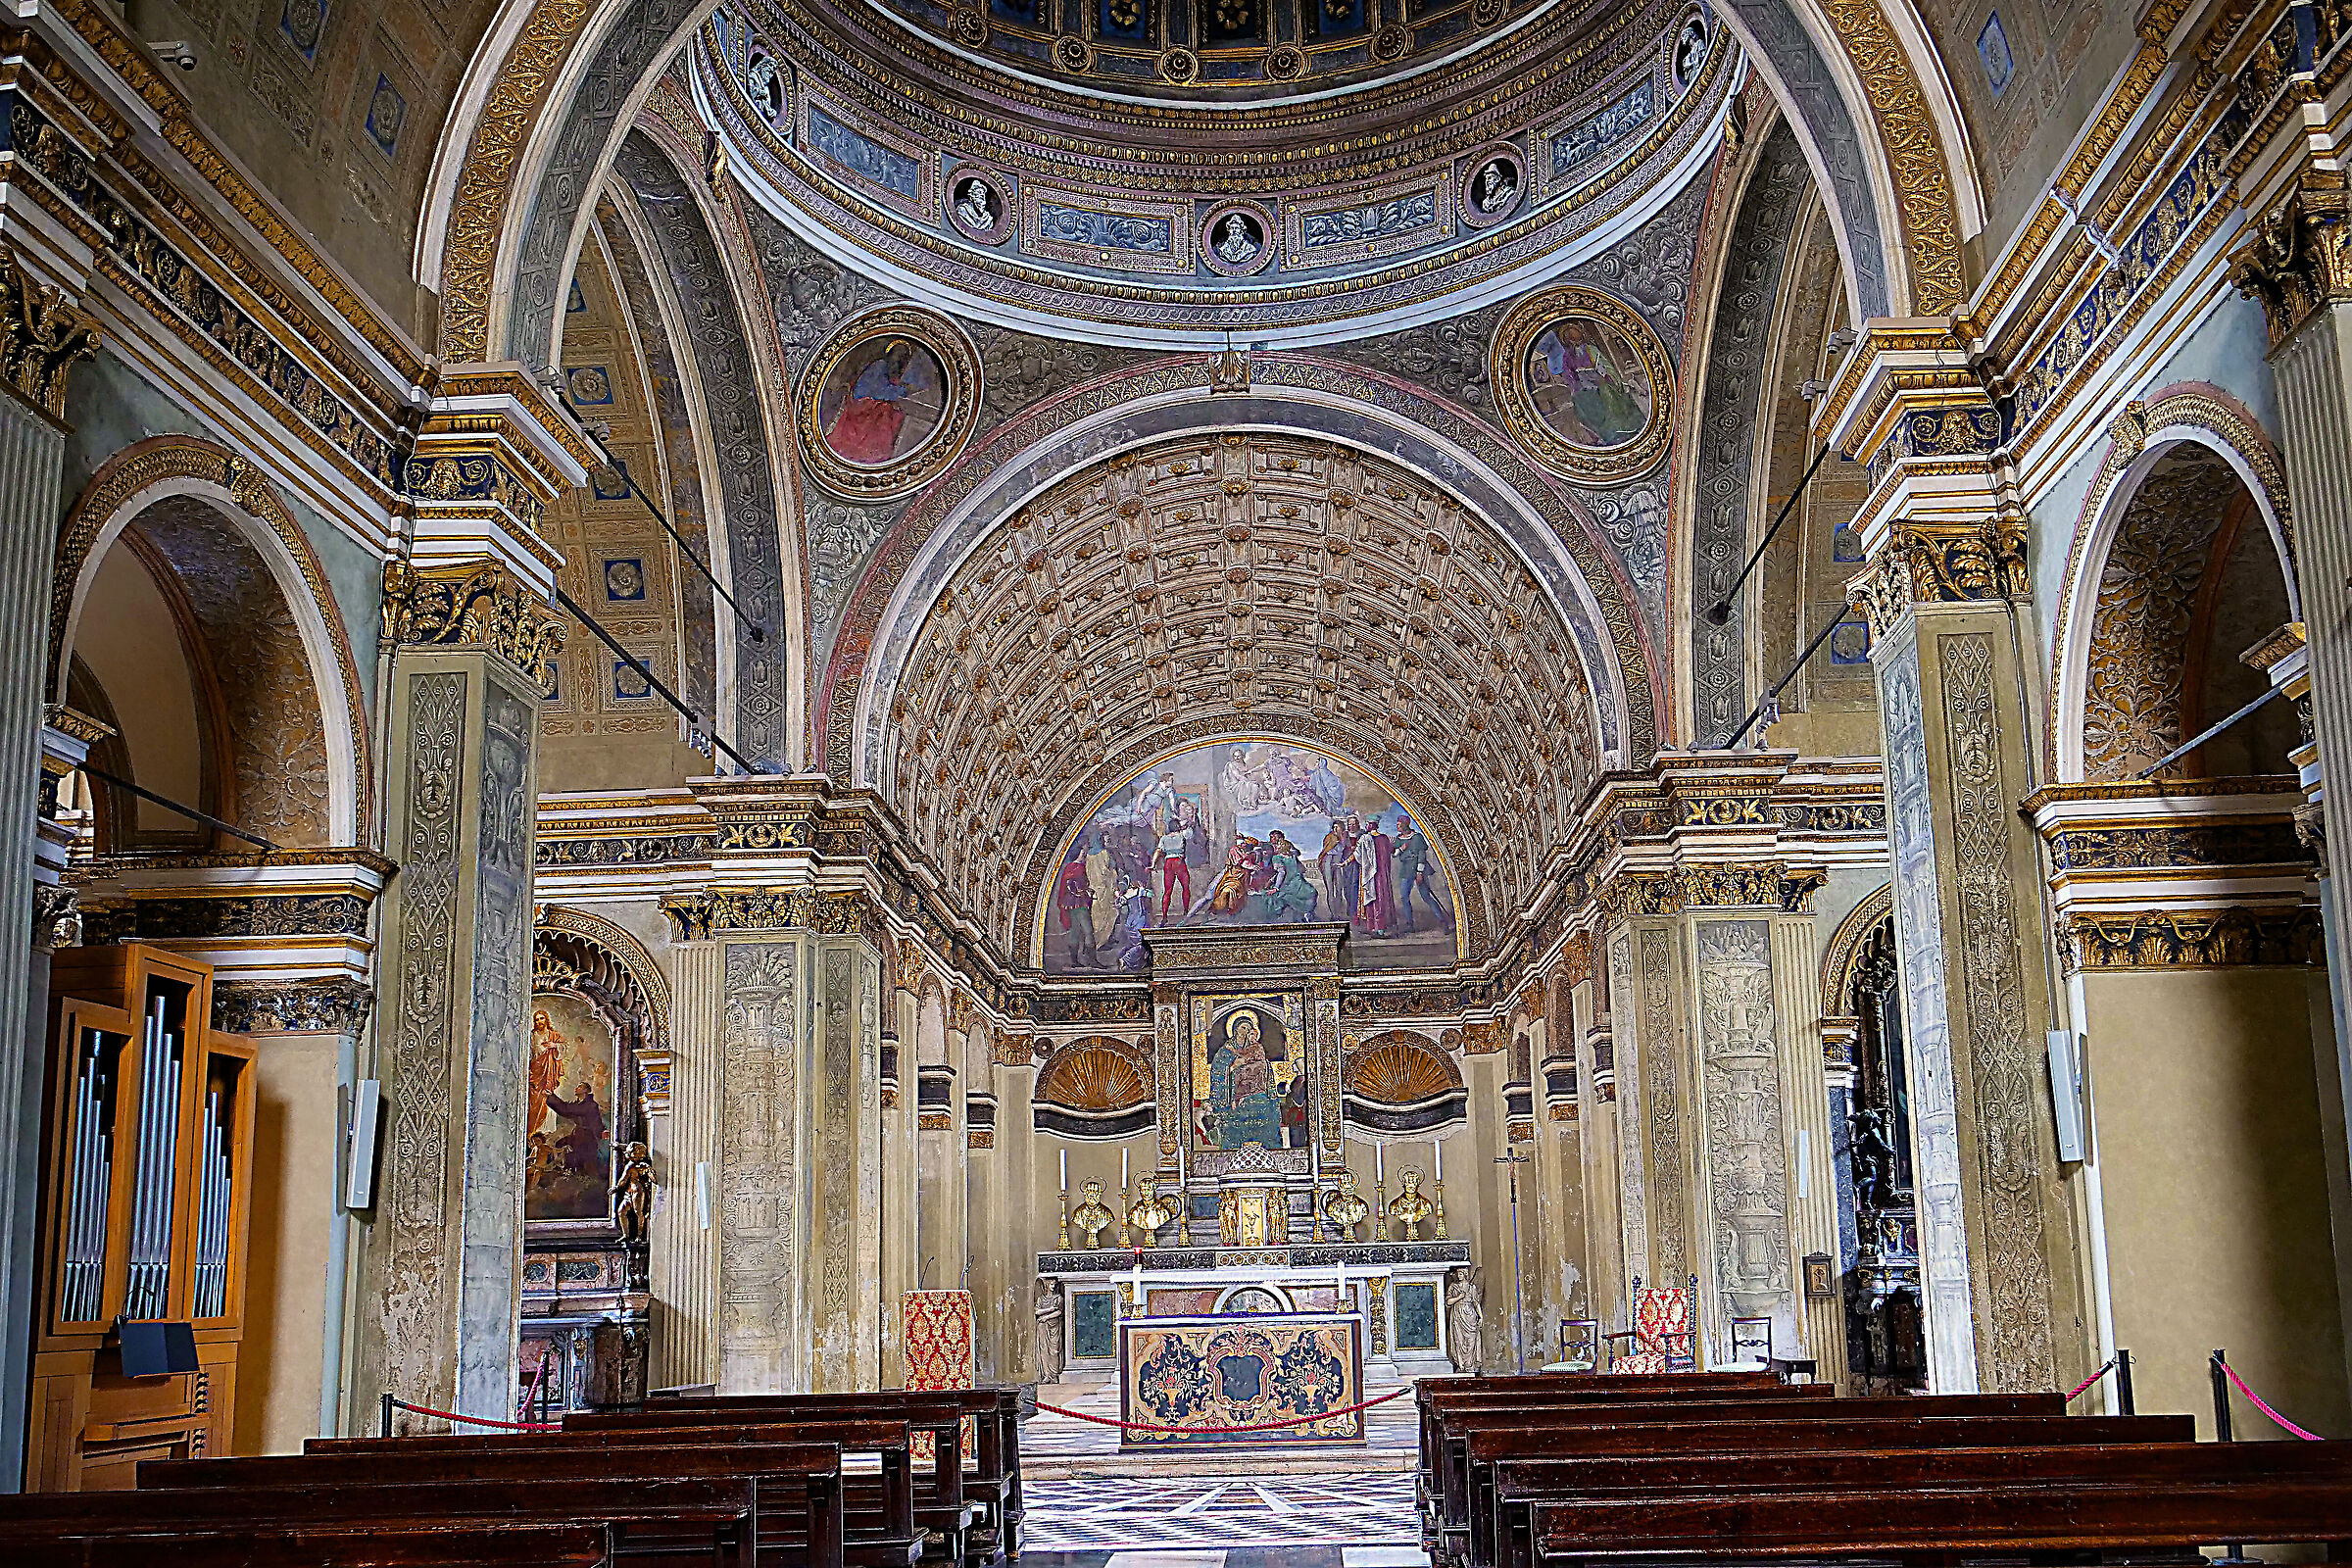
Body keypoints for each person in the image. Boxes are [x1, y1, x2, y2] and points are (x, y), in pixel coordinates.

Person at [826, 340, 922, 464]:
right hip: (862, 404)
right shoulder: (879, 366)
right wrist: (902, 391)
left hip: (873, 403)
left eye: (903, 357)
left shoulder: (893, 373)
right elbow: (873, 391)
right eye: (897, 355)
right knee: (886, 413)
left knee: (896, 413)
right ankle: (875, 452)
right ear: (891, 354)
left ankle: (877, 452)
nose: (898, 360)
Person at [1394, 817, 1446, 932]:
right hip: (1406, 870)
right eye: (1397, 824)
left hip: (1418, 869)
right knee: (1404, 897)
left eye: (1399, 824)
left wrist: (1419, 873)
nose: (1398, 826)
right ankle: (1410, 925)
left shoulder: (1417, 837)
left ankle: (1443, 921)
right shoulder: (1399, 838)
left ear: (1406, 824)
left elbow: (1421, 856)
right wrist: (1401, 849)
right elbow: (1395, 854)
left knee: (1426, 896)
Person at [1261, 829, 1317, 921]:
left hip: (1287, 873)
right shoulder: (1270, 846)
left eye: (1274, 837)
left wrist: (1288, 852)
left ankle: (1305, 913)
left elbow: (1297, 853)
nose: (1272, 839)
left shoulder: (1286, 846)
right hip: (1274, 870)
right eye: (1271, 837)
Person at [1055, 850, 1097, 965]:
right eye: (1082, 853)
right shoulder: (1074, 867)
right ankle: (1090, 960)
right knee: (1086, 930)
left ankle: (1076, 961)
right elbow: (1068, 883)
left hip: (1077, 901)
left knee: (1077, 931)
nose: (1084, 855)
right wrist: (1081, 892)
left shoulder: (1079, 867)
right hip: (1076, 902)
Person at [1155, 819, 1193, 922]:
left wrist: (1153, 864)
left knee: (1167, 891)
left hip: (1168, 863)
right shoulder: (1182, 835)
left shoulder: (1164, 838)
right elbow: (1190, 830)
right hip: (1179, 862)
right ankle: (1185, 912)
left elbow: (1158, 851)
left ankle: (1164, 917)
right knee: (1185, 887)